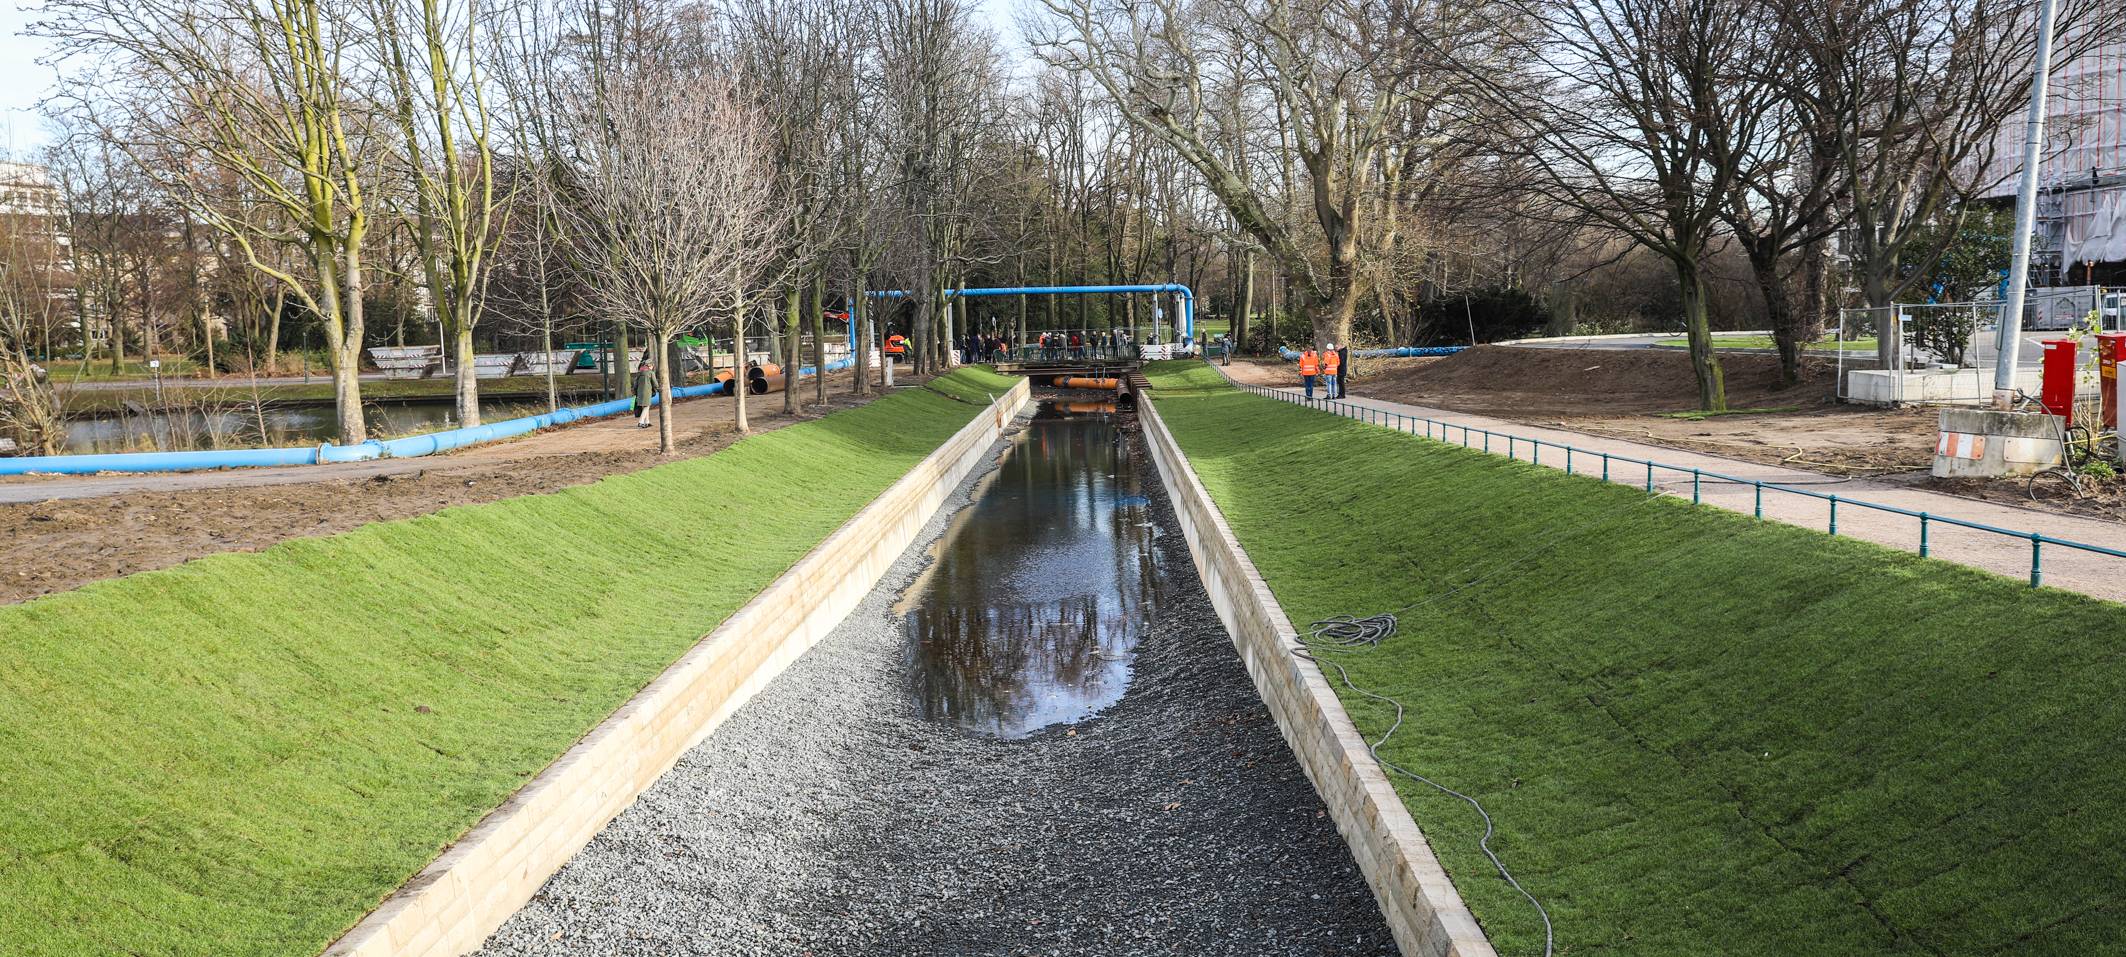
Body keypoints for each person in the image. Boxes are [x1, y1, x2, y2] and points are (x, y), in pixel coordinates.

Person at [633, 357, 656, 428]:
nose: (652, 367)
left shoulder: (639, 373)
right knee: (646, 406)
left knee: (645, 406)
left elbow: (635, 384)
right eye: (652, 366)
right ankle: (641, 422)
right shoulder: (651, 373)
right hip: (647, 392)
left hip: (639, 392)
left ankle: (647, 422)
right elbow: (655, 383)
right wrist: (658, 388)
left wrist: (635, 391)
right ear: (650, 366)